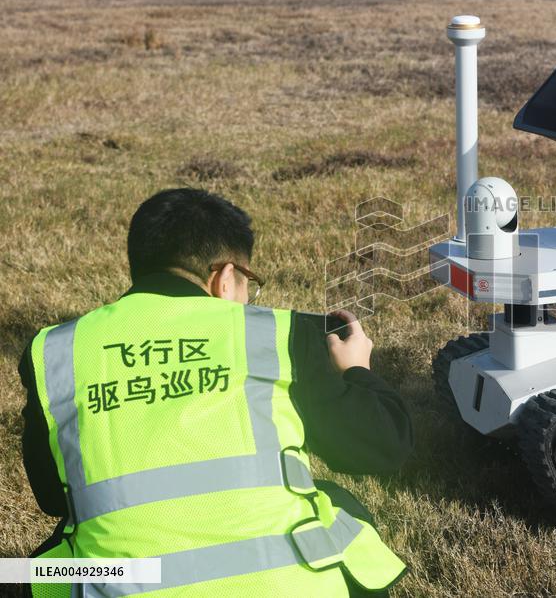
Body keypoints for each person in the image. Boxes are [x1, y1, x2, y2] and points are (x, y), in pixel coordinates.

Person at [19, 188, 411, 596]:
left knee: (41, 567)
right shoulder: (277, 336)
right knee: (337, 503)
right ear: (224, 279)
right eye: (249, 284)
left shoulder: (57, 351)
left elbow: (53, 497)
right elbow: (381, 446)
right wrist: (357, 369)